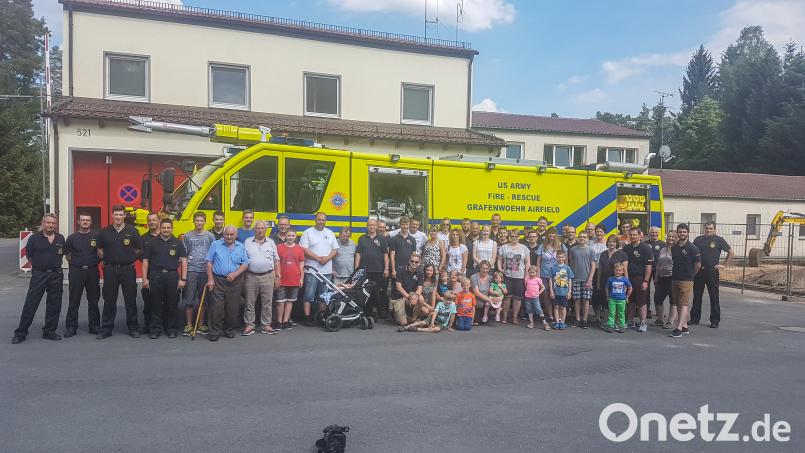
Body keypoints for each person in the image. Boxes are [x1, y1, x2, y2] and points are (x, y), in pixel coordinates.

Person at [12, 213, 65, 344]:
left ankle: (49, 331)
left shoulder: (60, 238)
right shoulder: (34, 239)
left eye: (53, 223)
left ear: (56, 225)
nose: (51, 225)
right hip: (39, 274)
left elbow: (62, 254)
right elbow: (29, 256)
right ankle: (21, 333)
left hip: (56, 275)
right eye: (48, 222)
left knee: (54, 304)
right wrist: (40, 266)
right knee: (31, 303)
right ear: (43, 223)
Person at [96, 205, 143, 339]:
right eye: (116, 214)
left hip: (128, 269)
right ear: (112, 215)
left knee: (130, 300)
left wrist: (130, 258)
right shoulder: (104, 232)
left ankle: (133, 328)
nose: (118, 217)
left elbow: (139, 249)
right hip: (110, 269)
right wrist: (106, 259)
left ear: (124, 216)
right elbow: (99, 249)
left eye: (120, 214)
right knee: (109, 300)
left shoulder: (132, 231)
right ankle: (106, 329)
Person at [142, 218, 187, 339]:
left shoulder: (178, 243)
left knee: (172, 304)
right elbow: (145, 261)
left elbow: (184, 261)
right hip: (155, 275)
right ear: (160, 228)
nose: (166, 230)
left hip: (172, 276)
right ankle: (155, 329)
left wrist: (183, 279)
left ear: (172, 228)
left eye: (168, 227)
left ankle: (171, 329)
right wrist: (145, 279)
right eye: (164, 227)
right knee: (155, 304)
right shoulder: (152, 242)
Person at [205, 226, 249, 341]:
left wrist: (235, 274)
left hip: (235, 281)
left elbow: (245, 263)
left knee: (232, 308)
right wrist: (210, 279)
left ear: (236, 235)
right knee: (216, 307)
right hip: (218, 280)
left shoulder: (241, 246)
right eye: (227, 234)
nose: (229, 237)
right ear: (223, 235)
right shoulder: (215, 244)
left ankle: (228, 330)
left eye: (232, 234)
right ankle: (214, 331)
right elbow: (209, 262)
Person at [64, 212, 101, 337]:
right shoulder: (72, 238)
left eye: (87, 220)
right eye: (83, 220)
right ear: (78, 222)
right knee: (74, 300)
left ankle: (94, 326)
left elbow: (101, 253)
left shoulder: (97, 236)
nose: (85, 222)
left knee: (94, 300)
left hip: (92, 271)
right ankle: (71, 327)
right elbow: (67, 255)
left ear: (91, 222)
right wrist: (77, 263)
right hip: (77, 271)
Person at [300, 212, 339, 326]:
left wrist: (327, 258)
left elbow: (335, 250)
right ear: (315, 220)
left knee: (324, 295)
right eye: (319, 219)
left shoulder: (330, 233)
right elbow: (304, 250)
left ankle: (322, 316)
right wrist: (318, 258)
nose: (321, 222)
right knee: (309, 295)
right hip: (312, 270)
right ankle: (307, 318)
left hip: (326, 270)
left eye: (323, 220)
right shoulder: (308, 232)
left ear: (326, 221)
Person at [691, 222, 733, 328]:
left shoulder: (719, 240)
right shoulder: (698, 240)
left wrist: (724, 265)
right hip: (699, 271)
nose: (708, 230)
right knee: (697, 295)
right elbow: (692, 253)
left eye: (711, 228)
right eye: (707, 228)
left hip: (712, 271)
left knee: (714, 296)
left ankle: (714, 320)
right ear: (704, 229)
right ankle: (695, 318)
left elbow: (730, 252)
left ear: (714, 229)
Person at [242, 220, 280, 336]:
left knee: (267, 303)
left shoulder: (271, 242)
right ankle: (249, 325)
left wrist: (278, 276)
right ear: (254, 229)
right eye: (258, 228)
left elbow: (276, 260)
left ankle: (266, 325)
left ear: (266, 229)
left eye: (262, 228)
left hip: (268, 276)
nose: (260, 230)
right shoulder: (247, 242)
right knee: (249, 302)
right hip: (251, 276)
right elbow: (243, 260)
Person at [180, 212, 215, 336]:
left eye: (201, 221)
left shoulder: (210, 236)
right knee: (189, 299)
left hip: (205, 271)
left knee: (203, 300)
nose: (199, 223)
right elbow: (184, 255)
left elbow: (213, 254)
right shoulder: (187, 236)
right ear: (194, 221)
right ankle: (189, 325)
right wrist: (183, 275)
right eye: (197, 220)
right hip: (191, 270)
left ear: (205, 222)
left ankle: (201, 325)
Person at [669, 224, 701, 338]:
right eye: (680, 232)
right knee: (678, 303)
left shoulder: (693, 248)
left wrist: (691, 275)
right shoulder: (674, 247)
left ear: (688, 233)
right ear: (677, 233)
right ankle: (684, 326)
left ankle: (678, 329)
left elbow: (698, 265)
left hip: (686, 280)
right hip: (675, 278)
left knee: (683, 304)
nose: (682, 234)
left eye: (684, 232)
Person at [355, 219, 390, 320]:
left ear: (376, 227)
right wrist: (357, 268)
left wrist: (386, 268)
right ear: (367, 226)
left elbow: (385, 254)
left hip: (378, 270)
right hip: (365, 271)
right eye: (370, 225)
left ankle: (380, 312)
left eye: (374, 225)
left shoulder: (382, 239)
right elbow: (358, 254)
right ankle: (368, 312)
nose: (372, 227)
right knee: (366, 292)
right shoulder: (362, 238)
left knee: (378, 292)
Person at [623, 228, 653, 333]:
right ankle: (630, 321)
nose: (632, 237)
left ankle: (643, 322)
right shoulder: (626, 248)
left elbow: (648, 266)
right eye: (631, 235)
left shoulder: (646, 248)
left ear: (640, 235)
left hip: (640, 278)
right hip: (629, 278)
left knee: (642, 302)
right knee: (630, 301)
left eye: (634, 235)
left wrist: (646, 281)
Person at [497, 229, 529, 324]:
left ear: (519, 237)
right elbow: (499, 259)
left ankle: (515, 317)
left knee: (517, 298)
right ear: (509, 237)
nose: (514, 238)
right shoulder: (504, 247)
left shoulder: (524, 248)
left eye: (516, 236)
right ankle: (505, 317)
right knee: (507, 297)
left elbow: (528, 262)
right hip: (507, 276)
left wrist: (526, 274)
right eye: (512, 236)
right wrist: (500, 268)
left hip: (520, 277)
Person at [596, 235, 628, 328]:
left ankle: (617, 323)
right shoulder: (603, 254)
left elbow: (625, 270)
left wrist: (626, 283)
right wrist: (598, 281)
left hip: (618, 282)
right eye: (610, 241)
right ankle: (607, 322)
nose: (611, 243)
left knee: (617, 302)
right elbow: (600, 269)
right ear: (607, 243)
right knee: (606, 301)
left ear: (617, 243)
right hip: (604, 281)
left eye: (614, 242)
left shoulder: (622, 254)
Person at [536, 227, 566, 323]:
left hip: (558, 275)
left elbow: (566, 260)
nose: (551, 235)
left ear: (556, 235)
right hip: (544, 274)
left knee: (558, 295)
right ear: (547, 234)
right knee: (546, 295)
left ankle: (559, 317)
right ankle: (550, 316)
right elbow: (538, 262)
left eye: (553, 233)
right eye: (550, 233)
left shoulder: (560, 245)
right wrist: (538, 275)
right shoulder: (542, 246)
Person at [276, 229, 304, 330]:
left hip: (294, 278)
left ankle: (286, 321)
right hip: (282, 279)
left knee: (290, 301)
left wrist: (301, 278)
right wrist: (277, 276)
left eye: (292, 236)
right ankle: (279, 321)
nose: (290, 237)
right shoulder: (279, 247)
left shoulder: (299, 249)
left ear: (295, 237)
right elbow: (276, 262)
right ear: (285, 236)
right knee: (280, 301)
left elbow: (301, 264)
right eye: (288, 235)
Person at [568, 231, 597, 329]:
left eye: (584, 237)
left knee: (586, 300)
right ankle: (577, 319)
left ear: (587, 238)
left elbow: (593, 266)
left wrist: (590, 279)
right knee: (576, 299)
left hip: (586, 279)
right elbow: (571, 263)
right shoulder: (573, 249)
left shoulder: (591, 250)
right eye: (580, 237)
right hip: (575, 278)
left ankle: (584, 319)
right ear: (577, 238)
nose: (582, 238)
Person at [139, 212, 160, 335]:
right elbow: (140, 255)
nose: (151, 222)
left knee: (164, 301)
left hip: (163, 274)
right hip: (149, 273)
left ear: (159, 221)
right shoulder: (143, 239)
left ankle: (162, 325)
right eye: (149, 220)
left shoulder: (166, 235)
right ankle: (147, 325)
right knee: (148, 302)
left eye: (154, 220)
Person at [389, 254, 424, 326]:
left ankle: (413, 319)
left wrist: (416, 297)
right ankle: (393, 310)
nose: (414, 263)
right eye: (412, 261)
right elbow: (398, 287)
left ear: (419, 263)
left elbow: (419, 288)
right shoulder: (400, 269)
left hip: (410, 295)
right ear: (409, 261)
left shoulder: (420, 272)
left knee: (420, 298)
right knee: (403, 323)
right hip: (398, 297)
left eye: (416, 262)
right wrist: (409, 297)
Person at [653, 231, 677, 329]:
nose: (670, 238)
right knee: (657, 298)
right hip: (661, 277)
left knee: (673, 300)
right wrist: (656, 277)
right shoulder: (663, 249)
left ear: (676, 238)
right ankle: (660, 320)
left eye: (672, 237)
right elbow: (659, 264)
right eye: (669, 237)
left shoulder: (677, 249)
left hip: (673, 277)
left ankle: (670, 321)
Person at [549, 250, 573, 330]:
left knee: (563, 307)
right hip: (556, 292)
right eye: (559, 257)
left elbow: (569, 279)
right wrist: (551, 291)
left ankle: (562, 322)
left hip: (564, 292)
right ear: (556, 258)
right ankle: (557, 322)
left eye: (562, 257)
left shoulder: (567, 268)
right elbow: (550, 279)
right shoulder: (553, 267)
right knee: (556, 307)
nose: (561, 258)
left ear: (565, 258)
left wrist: (569, 291)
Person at [605, 263, 632, 333]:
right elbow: (607, 288)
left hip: (622, 300)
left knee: (621, 313)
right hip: (612, 299)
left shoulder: (624, 279)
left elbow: (630, 288)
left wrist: (627, 297)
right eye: (616, 270)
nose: (618, 272)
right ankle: (610, 326)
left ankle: (621, 326)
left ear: (623, 271)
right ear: (614, 270)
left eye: (620, 270)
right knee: (611, 313)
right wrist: (607, 296)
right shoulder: (610, 279)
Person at [470, 260, 493, 325]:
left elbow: (495, 290)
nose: (485, 270)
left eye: (487, 269)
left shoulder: (491, 278)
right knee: (477, 322)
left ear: (489, 269)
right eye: (483, 268)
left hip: (488, 304)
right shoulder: (474, 277)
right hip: (477, 304)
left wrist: (497, 298)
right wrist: (490, 300)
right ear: (480, 268)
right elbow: (476, 293)